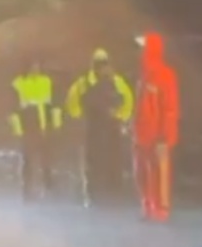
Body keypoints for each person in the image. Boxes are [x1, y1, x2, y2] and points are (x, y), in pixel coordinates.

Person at [66, 48, 134, 206]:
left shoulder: (116, 81)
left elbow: (128, 99)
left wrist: (121, 115)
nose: (103, 68)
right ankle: (93, 193)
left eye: (105, 64)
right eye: (100, 64)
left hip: (111, 126)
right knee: (93, 160)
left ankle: (113, 192)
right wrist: (78, 114)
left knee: (113, 160)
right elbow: (72, 100)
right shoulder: (84, 82)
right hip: (93, 125)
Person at [133, 32, 179, 221]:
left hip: (158, 135)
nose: (139, 52)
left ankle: (161, 208)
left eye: (142, 48)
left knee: (159, 171)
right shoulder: (144, 76)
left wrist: (164, 135)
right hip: (142, 134)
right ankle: (148, 205)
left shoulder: (165, 75)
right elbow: (139, 106)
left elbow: (170, 108)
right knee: (142, 171)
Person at [8, 56, 63, 200]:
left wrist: (56, 124)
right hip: (28, 125)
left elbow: (55, 104)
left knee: (46, 157)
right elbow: (13, 110)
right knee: (28, 158)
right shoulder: (19, 84)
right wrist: (18, 129)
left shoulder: (47, 82)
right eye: (32, 66)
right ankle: (27, 186)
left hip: (45, 125)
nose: (35, 69)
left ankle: (48, 184)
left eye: (37, 66)